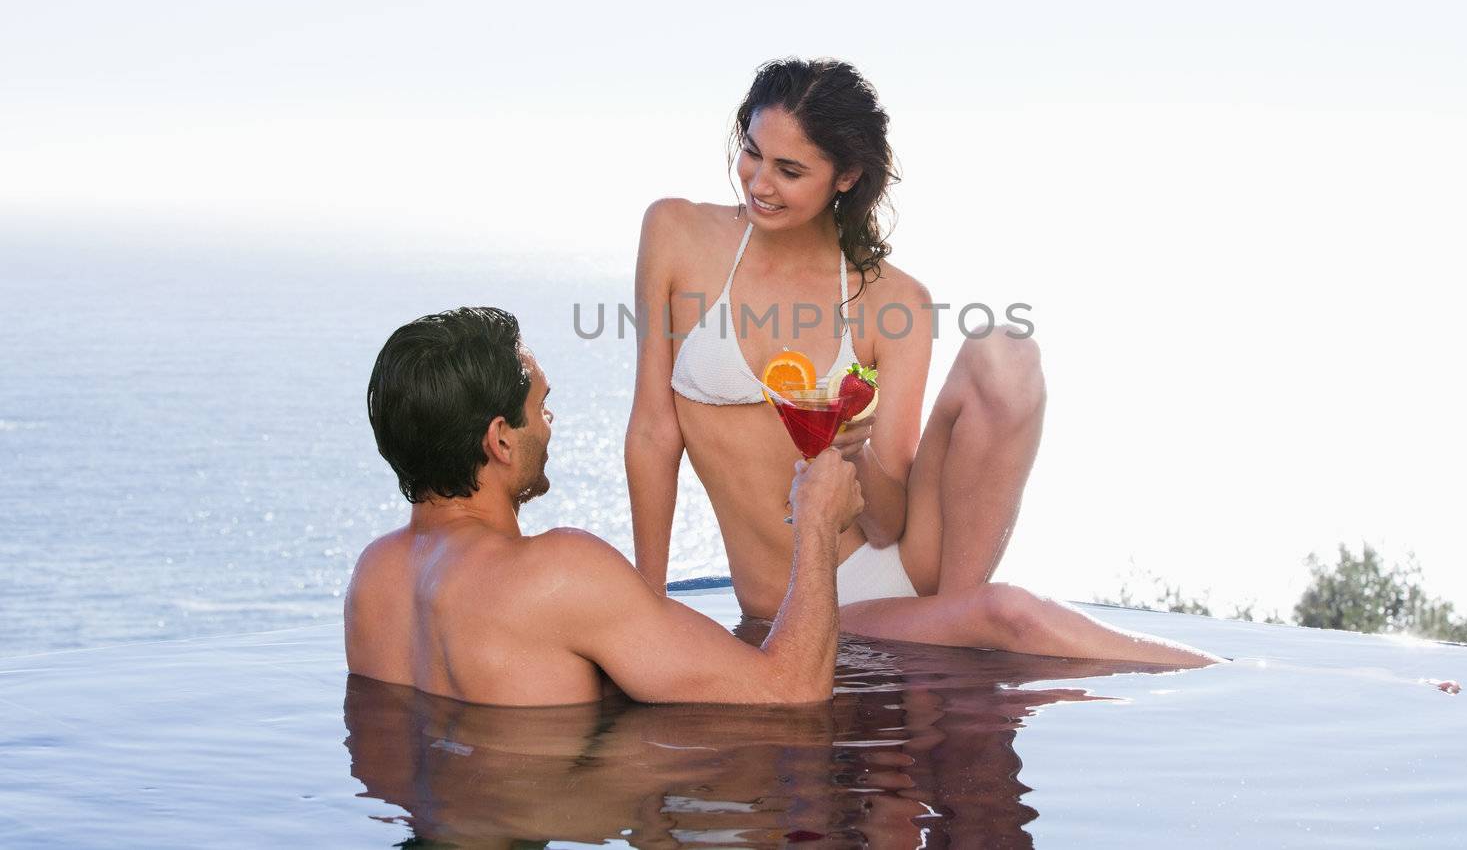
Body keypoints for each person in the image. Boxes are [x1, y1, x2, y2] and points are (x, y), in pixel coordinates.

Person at [628, 58, 1217, 668]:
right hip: (802, 600)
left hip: (901, 558)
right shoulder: (676, 232)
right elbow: (653, 429)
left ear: (847, 176)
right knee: (1005, 612)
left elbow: (887, 523)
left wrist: (859, 457)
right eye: (752, 152)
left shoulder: (891, 300)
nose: (759, 183)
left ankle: (1207, 674)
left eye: (790, 170)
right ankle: (963, 621)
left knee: (1005, 350)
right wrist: (645, 606)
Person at [345, 305, 865, 706]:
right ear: (500, 440)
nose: (550, 423)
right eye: (541, 406)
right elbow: (790, 691)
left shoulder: (373, 579)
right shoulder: (559, 574)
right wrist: (817, 524)